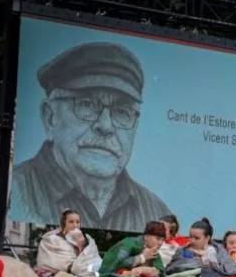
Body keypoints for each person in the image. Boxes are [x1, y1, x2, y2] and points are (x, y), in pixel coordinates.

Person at [10, 42, 172, 232]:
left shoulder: (155, 210)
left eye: (122, 111)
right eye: (86, 104)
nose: (105, 126)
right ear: (50, 117)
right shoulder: (16, 191)